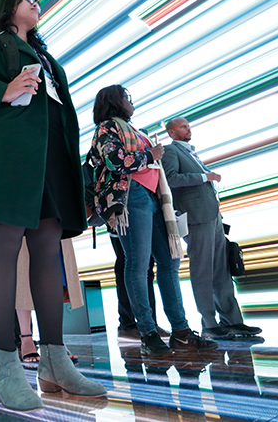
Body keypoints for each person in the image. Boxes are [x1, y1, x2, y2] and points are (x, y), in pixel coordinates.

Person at [0, 0, 106, 411]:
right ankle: (6, 366)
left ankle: (54, 361)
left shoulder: (47, 57)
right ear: (6, 8)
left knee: (48, 248)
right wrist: (3, 90)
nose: (36, 2)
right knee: (6, 244)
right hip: (7, 156)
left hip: (49, 157)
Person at [88, 85, 217, 358]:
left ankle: (181, 332)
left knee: (169, 262)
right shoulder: (106, 128)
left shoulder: (134, 130)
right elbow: (114, 161)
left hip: (154, 198)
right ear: (115, 102)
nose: (131, 103)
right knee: (137, 264)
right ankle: (146, 333)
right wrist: (150, 155)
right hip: (130, 197)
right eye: (127, 98)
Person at [163, 117, 262, 340]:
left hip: (213, 217)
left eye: (188, 126)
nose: (188, 129)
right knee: (203, 271)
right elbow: (171, 179)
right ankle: (209, 324)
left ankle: (233, 321)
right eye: (183, 127)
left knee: (221, 270)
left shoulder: (191, 153)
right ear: (171, 133)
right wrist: (204, 176)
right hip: (196, 218)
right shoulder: (171, 152)